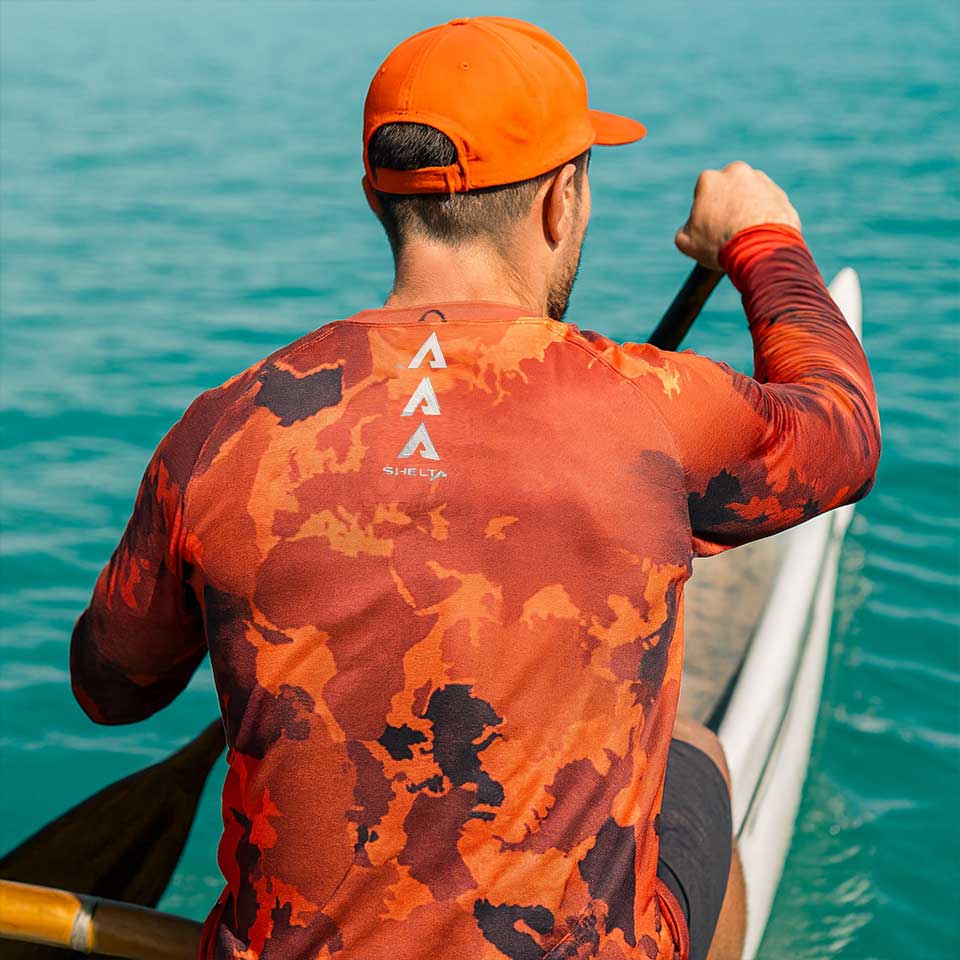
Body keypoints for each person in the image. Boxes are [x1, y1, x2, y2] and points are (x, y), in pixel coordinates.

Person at [70, 16, 880, 960]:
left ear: (378, 198)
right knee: (695, 756)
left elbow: (108, 686)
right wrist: (762, 237)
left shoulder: (226, 429)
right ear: (560, 202)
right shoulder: (647, 411)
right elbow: (843, 429)